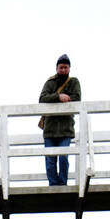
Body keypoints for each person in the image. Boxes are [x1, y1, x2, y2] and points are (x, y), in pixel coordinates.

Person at [38, 53, 81, 186]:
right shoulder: (50, 82)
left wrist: (65, 98)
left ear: (69, 68)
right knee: (50, 160)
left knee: (63, 157)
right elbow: (42, 98)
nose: (63, 70)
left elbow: (76, 98)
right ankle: (53, 185)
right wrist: (58, 97)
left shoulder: (74, 82)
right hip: (50, 128)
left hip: (65, 128)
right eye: (61, 67)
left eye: (65, 67)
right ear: (57, 68)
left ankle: (62, 184)